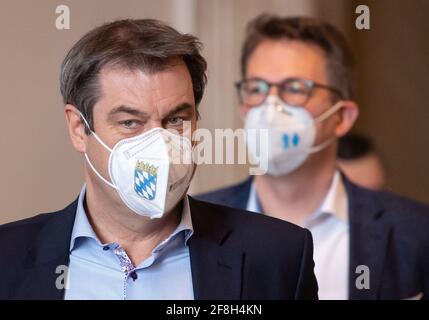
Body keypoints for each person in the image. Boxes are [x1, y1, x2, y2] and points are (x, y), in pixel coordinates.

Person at [0, 19, 318, 300]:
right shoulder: (7, 257)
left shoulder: (277, 255)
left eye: (176, 119)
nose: (158, 144)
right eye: (130, 123)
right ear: (79, 128)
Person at [197, 15, 429, 300]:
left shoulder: (415, 233)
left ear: (342, 117)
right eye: (256, 89)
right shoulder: (195, 226)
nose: (270, 108)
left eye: (294, 89)